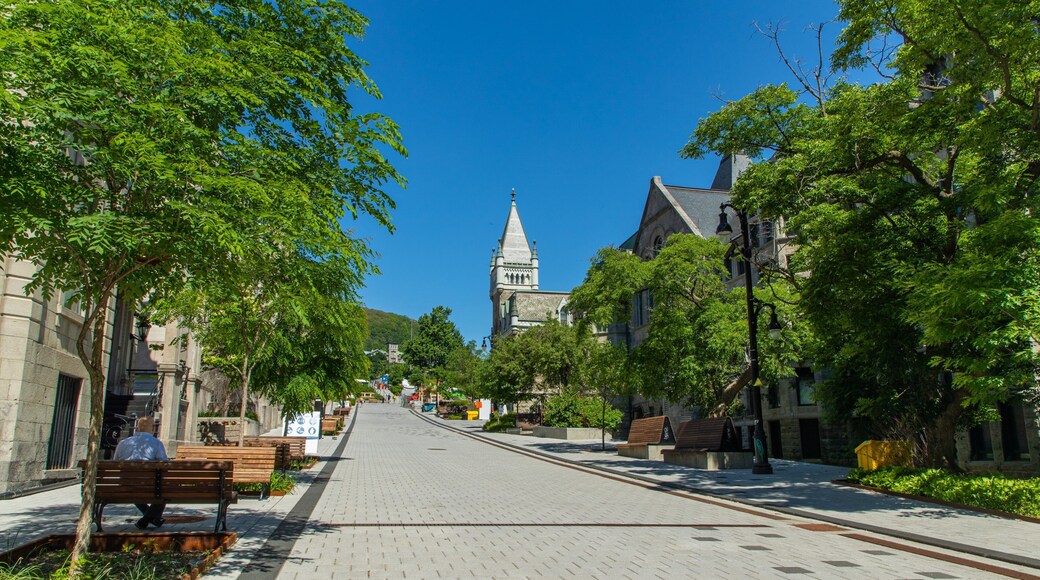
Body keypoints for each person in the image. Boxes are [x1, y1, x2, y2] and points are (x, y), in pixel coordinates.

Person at [113, 416, 168, 529]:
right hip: (150, 485)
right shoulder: (156, 443)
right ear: (152, 428)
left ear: (137, 428)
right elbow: (164, 464)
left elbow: (115, 461)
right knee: (164, 492)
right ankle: (147, 519)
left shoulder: (123, 443)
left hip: (126, 485)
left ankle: (149, 518)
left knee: (134, 490)